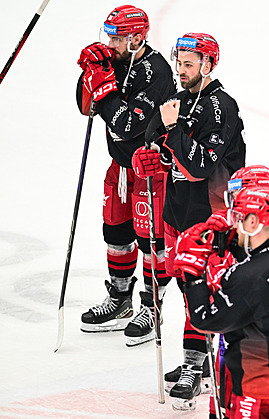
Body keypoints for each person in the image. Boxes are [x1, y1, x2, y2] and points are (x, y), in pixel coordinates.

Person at [131, 32, 246, 409]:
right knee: (186, 290)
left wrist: (174, 130)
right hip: (179, 212)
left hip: (209, 216)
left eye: (189, 64)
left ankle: (194, 369)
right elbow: (163, 151)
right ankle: (204, 362)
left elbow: (199, 167)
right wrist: (153, 159)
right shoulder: (181, 99)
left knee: (201, 293)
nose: (180, 71)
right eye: (178, 63)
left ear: (209, 65)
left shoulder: (221, 106)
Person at [75, 5, 176, 347]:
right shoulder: (115, 60)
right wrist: (89, 73)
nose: (112, 43)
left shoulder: (157, 71)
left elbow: (130, 124)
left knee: (152, 241)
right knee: (115, 231)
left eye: (117, 37)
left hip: (151, 171)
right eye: (109, 36)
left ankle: (151, 306)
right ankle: (119, 299)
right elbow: (86, 106)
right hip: (119, 168)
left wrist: (103, 92)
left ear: (137, 37)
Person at [175, 186, 269, 419]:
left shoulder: (248, 279)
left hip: (259, 388)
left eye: (238, 218)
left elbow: (204, 320)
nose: (234, 225)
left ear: (253, 223)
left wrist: (192, 277)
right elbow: (260, 268)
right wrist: (228, 242)